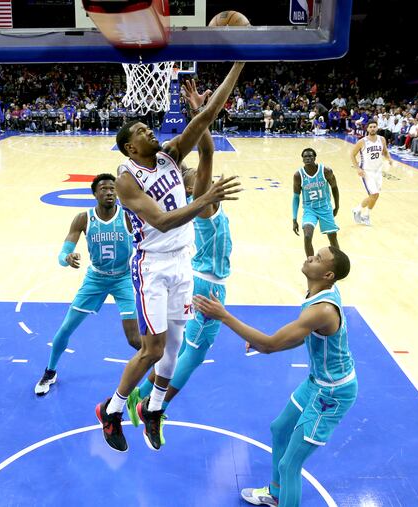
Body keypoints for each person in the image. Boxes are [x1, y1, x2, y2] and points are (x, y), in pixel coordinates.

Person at [95, 62, 245, 453]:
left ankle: (154, 409)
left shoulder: (171, 155)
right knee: (154, 349)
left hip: (182, 264)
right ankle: (110, 410)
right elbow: (160, 220)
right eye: (144, 132)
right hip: (152, 268)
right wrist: (206, 199)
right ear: (131, 147)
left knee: (175, 347)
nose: (151, 131)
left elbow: (210, 116)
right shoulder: (127, 178)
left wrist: (240, 60)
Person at [193, 246, 356, 507]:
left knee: (290, 464)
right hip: (317, 382)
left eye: (319, 258)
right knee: (280, 429)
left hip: (332, 393)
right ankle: (276, 494)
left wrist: (223, 315)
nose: (311, 255)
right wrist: (260, 343)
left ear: (327, 274)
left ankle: (284, 497)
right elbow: (295, 338)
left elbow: (270, 346)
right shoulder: (318, 293)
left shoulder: (323, 309)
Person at [125, 79, 233, 424]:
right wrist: (200, 112)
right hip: (202, 283)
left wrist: (197, 110)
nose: (192, 174)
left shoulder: (194, 198)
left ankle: (147, 401)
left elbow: (204, 150)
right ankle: (150, 406)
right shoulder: (203, 206)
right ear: (191, 187)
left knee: (175, 351)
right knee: (190, 354)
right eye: (191, 176)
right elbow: (207, 155)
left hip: (189, 274)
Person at [34, 173, 142, 395]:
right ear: (94, 193)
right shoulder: (83, 218)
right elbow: (63, 252)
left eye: (112, 188)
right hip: (96, 279)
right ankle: (50, 371)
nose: (109, 192)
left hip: (122, 278)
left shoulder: (129, 216)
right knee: (65, 329)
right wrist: (67, 257)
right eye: (104, 189)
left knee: (134, 339)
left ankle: (161, 366)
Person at [292, 148, 340, 257]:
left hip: (325, 208)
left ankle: (338, 263)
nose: (307, 158)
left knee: (332, 238)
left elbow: (335, 187)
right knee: (307, 236)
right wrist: (294, 219)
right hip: (310, 209)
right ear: (302, 159)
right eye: (305, 157)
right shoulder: (298, 175)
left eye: (310, 156)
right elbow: (295, 197)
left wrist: (337, 206)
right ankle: (311, 263)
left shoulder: (326, 171)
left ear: (314, 158)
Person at [350, 120, 393, 226]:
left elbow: (385, 152)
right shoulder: (362, 141)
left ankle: (362, 213)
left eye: (374, 126)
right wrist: (358, 169)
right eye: (371, 127)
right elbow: (352, 155)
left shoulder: (382, 139)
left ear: (377, 127)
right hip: (366, 172)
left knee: (375, 196)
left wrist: (389, 159)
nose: (373, 128)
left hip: (378, 171)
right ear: (367, 129)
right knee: (374, 194)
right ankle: (361, 212)